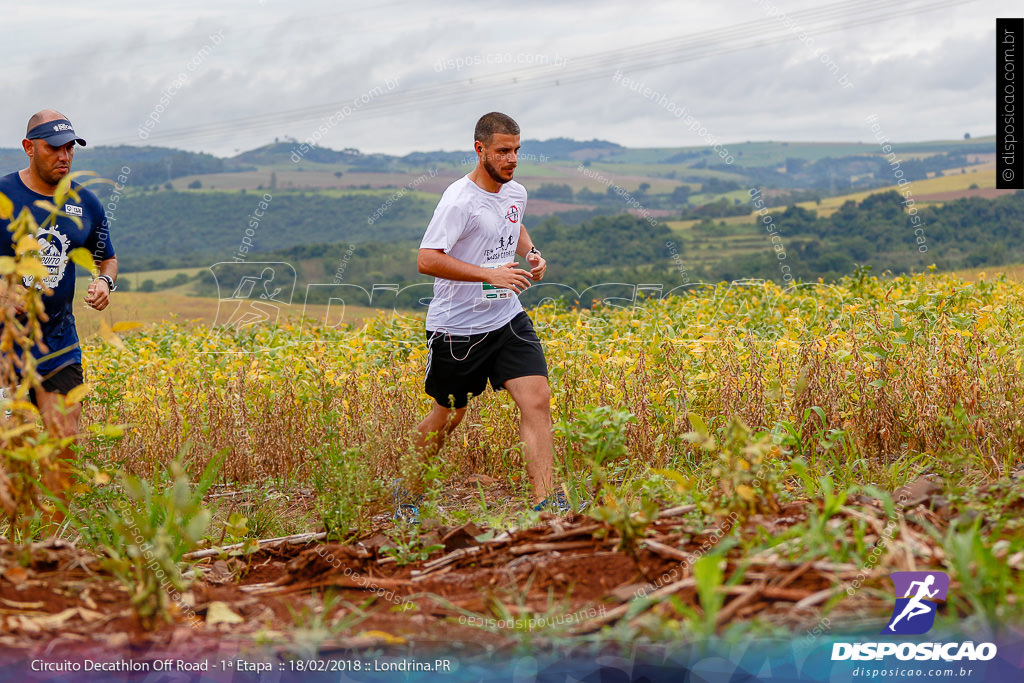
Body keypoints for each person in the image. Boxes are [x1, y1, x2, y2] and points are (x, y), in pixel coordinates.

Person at [413, 111, 564, 513]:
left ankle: (547, 503)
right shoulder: (459, 201)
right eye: (502, 151)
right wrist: (487, 276)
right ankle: (407, 494)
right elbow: (427, 259)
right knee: (449, 416)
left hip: (506, 319)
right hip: (457, 329)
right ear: (479, 150)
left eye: (516, 150)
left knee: (537, 399)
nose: (511, 159)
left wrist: (529, 252)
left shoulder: (516, 192)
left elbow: (512, 224)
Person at [0, 110, 118, 516]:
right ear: (29, 147)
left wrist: (105, 282)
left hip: (58, 343)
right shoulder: (1, 197)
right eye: (54, 147)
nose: (64, 155)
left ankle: (56, 539)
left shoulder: (85, 203)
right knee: (7, 446)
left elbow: (108, 258)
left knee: (64, 439)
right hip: (5, 348)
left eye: (70, 147)